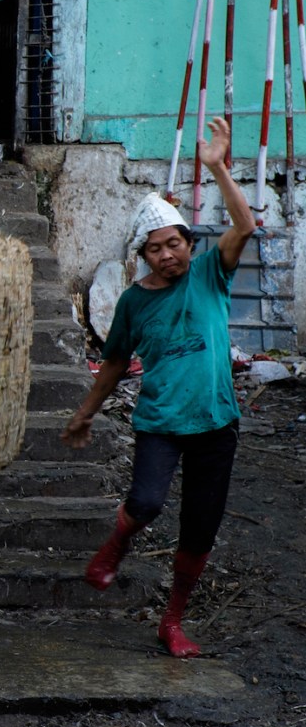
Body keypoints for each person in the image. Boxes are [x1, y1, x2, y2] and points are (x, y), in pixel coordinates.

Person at [60, 117, 256, 658]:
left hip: (216, 421)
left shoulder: (211, 274)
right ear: (142, 256)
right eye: (155, 249)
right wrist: (85, 412)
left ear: (189, 243)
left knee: (199, 529)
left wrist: (217, 168)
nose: (167, 255)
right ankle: (117, 542)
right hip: (161, 423)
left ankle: (172, 621)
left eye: (174, 244)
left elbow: (244, 226)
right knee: (145, 502)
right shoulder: (133, 302)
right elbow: (114, 363)